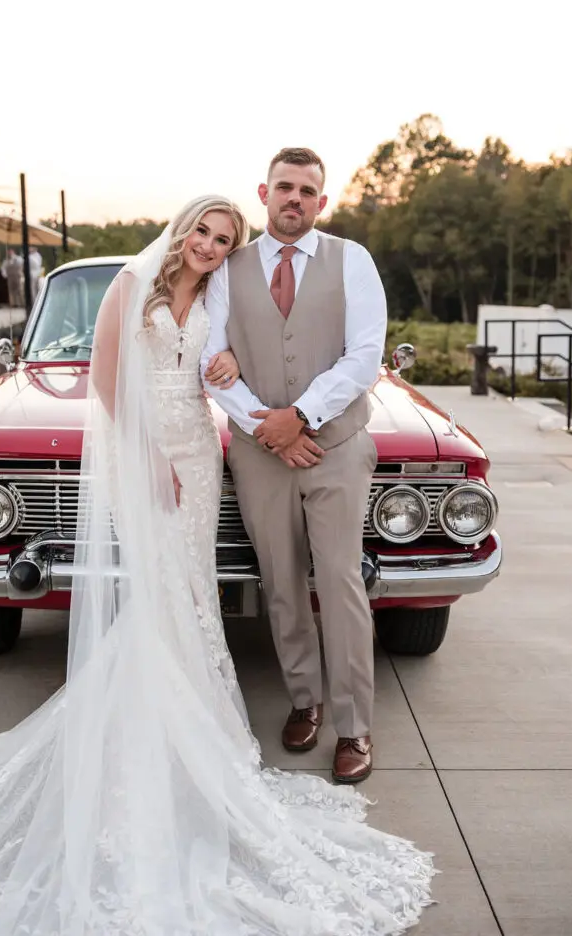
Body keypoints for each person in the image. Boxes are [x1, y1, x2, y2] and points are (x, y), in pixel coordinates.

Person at [0, 196, 433, 935]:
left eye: (223, 238)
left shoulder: (217, 293)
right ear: (182, 229)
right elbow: (106, 381)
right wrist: (145, 454)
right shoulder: (126, 286)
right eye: (203, 232)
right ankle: (151, 737)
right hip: (145, 449)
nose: (209, 246)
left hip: (202, 453)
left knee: (193, 591)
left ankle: (193, 731)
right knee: (162, 589)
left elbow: (222, 361)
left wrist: (226, 366)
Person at [201, 148, 388, 785]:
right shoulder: (229, 268)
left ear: (322, 202)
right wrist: (266, 427)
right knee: (281, 584)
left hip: (336, 448)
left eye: (308, 191)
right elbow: (211, 357)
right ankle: (305, 701)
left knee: (340, 585)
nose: (295, 199)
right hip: (260, 455)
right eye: (285, 187)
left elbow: (364, 357)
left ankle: (354, 725)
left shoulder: (352, 261)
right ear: (264, 191)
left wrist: (299, 417)